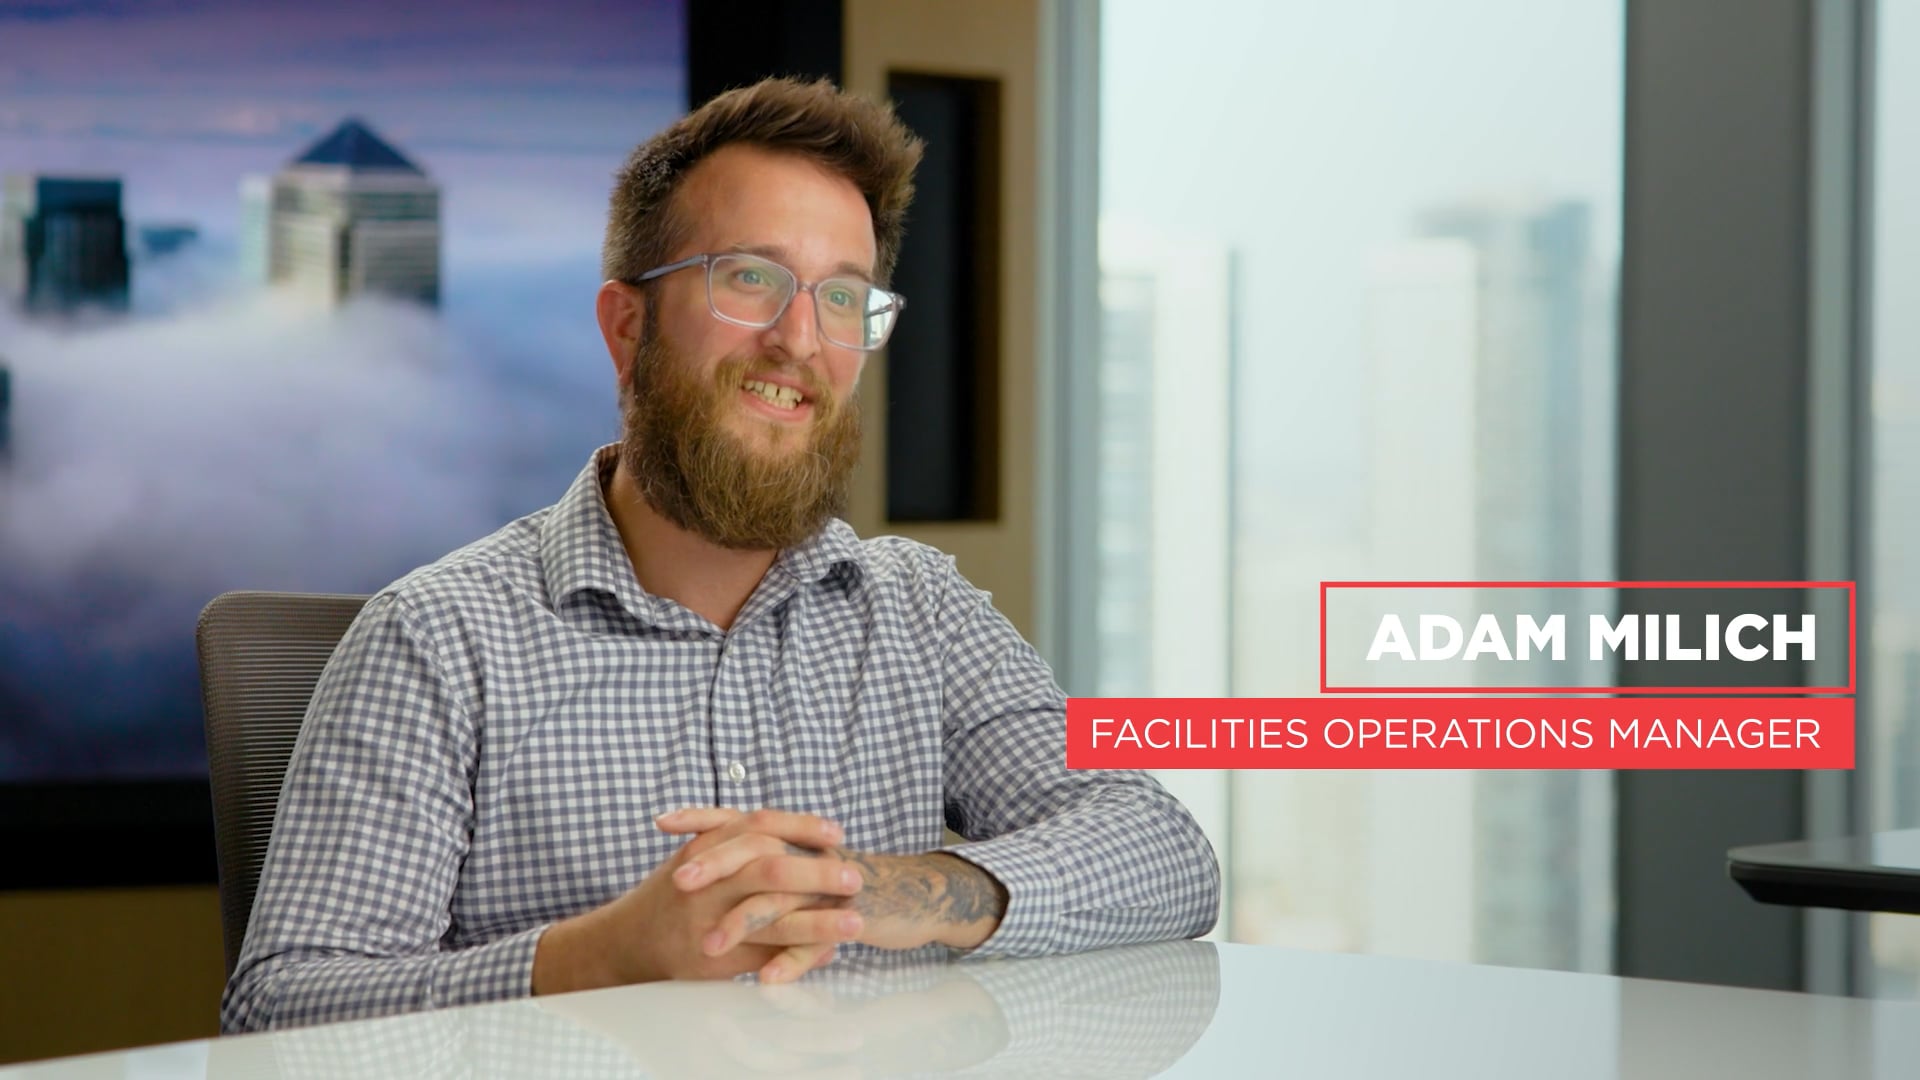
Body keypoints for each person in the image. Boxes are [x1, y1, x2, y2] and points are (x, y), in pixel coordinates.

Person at [221, 77, 1220, 1034]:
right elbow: (281, 1010)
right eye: (750, 278)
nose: (800, 340)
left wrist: (882, 892)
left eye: (843, 298)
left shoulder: (920, 609)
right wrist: (601, 958)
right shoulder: (440, 638)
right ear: (627, 327)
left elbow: (1168, 851)